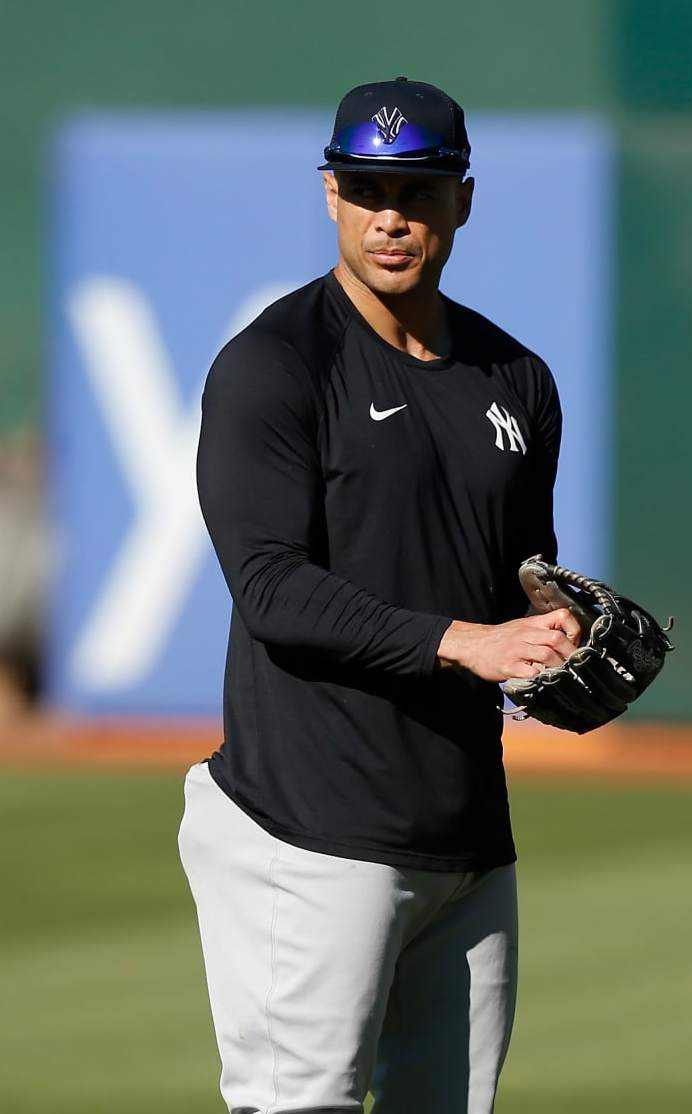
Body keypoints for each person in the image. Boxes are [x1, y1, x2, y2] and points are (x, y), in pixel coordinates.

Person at [180, 77, 581, 1113]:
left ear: (464, 198)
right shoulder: (275, 366)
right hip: (306, 826)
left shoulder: (516, 378)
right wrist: (466, 642)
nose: (389, 214)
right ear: (329, 194)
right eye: (364, 187)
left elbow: (517, 577)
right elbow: (272, 589)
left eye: (415, 187)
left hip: (465, 838)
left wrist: (562, 637)